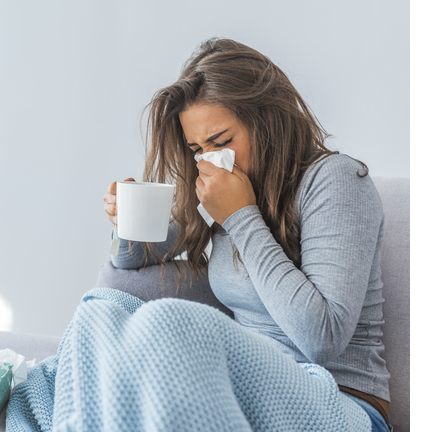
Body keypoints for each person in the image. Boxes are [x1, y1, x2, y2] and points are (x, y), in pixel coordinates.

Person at [102, 38, 391, 431]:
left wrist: (241, 216)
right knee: (103, 308)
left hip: (340, 405)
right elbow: (134, 259)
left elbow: (322, 338)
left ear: (267, 121)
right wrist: (126, 224)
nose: (211, 160)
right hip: (245, 394)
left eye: (222, 142)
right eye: (197, 149)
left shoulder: (335, 180)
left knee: (166, 323)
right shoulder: (225, 193)